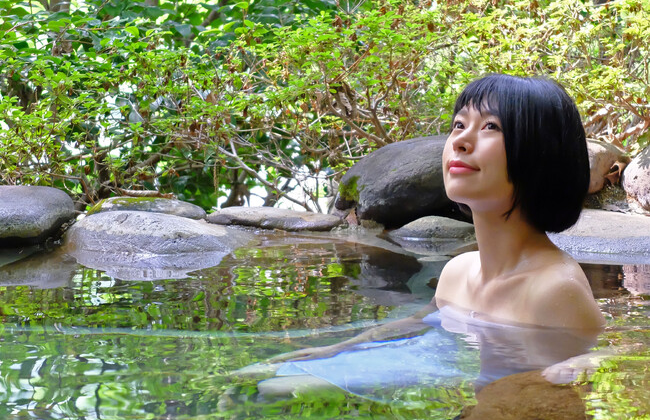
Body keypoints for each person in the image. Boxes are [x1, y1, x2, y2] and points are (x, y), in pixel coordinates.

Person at [238, 74, 605, 398]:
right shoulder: (458, 272)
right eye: (459, 125)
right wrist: (326, 353)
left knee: (276, 394)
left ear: (541, 158)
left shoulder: (553, 289)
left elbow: (592, 367)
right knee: (274, 384)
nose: (460, 141)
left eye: (490, 127)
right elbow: (415, 326)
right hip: (478, 415)